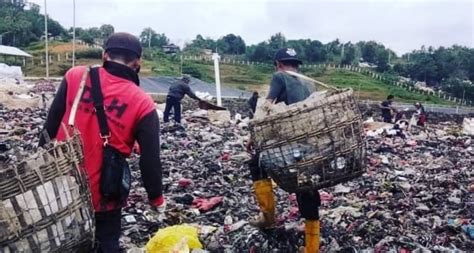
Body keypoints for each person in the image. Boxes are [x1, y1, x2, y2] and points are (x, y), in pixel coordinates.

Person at [38, 33, 165, 252]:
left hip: (60, 187)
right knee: (105, 243)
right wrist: (156, 198)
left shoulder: (75, 76)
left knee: (58, 243)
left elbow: (50, 127)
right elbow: (150, 160)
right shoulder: (143, 103)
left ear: (104, 55)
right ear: (137, 63)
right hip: (103, 196)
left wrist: (40, 173)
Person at [247, 48, 320, 253]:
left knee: (256, 163)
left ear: (278, 63)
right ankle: (312, 246)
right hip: (312, 143)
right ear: (296, 64)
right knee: (307, 185)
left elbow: (266, 108)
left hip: (291, 141)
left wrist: (252, 137)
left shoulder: (280, 76)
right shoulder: (310, 82)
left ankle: (268, 218)